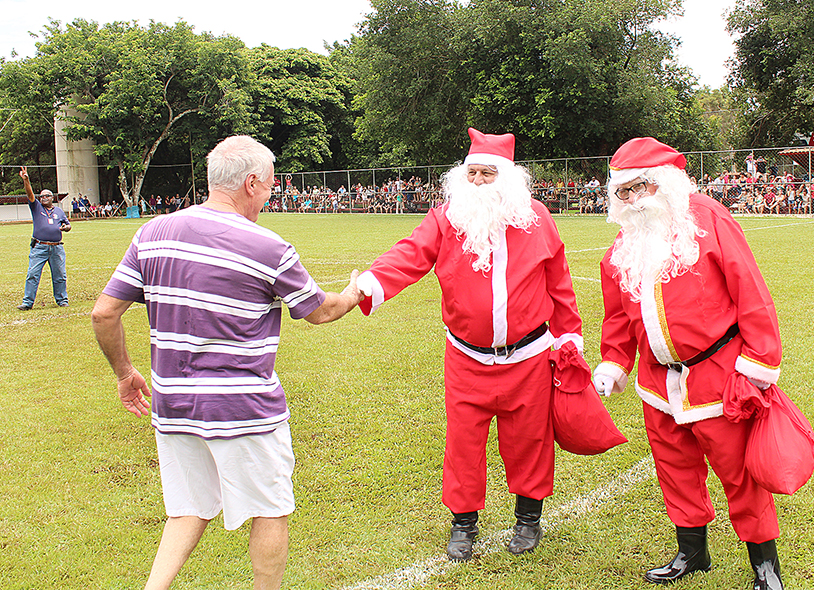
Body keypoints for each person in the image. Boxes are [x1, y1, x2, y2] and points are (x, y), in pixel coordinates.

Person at [90, 135, 363, 590]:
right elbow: (321, 310)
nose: (271, 196)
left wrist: (124, 374)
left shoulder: (151, 232)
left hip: (173, 406)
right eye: (271, 187)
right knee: (271, 509)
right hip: (245, 410)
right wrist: (354, 292)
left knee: (187, 508)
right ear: (251, 183)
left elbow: (104, 313)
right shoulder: (267, 246)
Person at [356, 128, 583, 561]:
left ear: (508, 179)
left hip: (529, 357)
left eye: (487, 174)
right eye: (472, 173)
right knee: (463, 443)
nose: (478, 182)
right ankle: (464, 524)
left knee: (530, 441)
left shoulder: (536, 218)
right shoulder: (446, 218)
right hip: (466, 357)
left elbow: (560, 283)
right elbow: (410, 254)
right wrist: (369, 284)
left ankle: (528, 520)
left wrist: (569, 336)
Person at [593, 137, 786, 590]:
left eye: (640, 187)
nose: (634, 200)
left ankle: (765, 566)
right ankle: (692, 551)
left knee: (739, 473)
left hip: (719, 374)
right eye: (623, 192)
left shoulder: (707, 218)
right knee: (675, 468)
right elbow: (619, 314)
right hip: (657, 382)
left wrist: (758, 363)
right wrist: (615, 362)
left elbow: (750, 290)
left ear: (664, 183)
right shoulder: (624, 245)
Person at [17, 167, 70, 310]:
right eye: (42, 196)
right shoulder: (36, 207)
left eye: (47, 196)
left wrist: (65, 228)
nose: (44, 198)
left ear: (52, 198)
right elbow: (29, 194)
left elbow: (68, 225)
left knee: (60, 275)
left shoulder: (58, 211)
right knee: (33, 274)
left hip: (57, 247)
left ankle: (62, 300)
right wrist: (26, 180)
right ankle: (28, 302)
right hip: (39, 246)